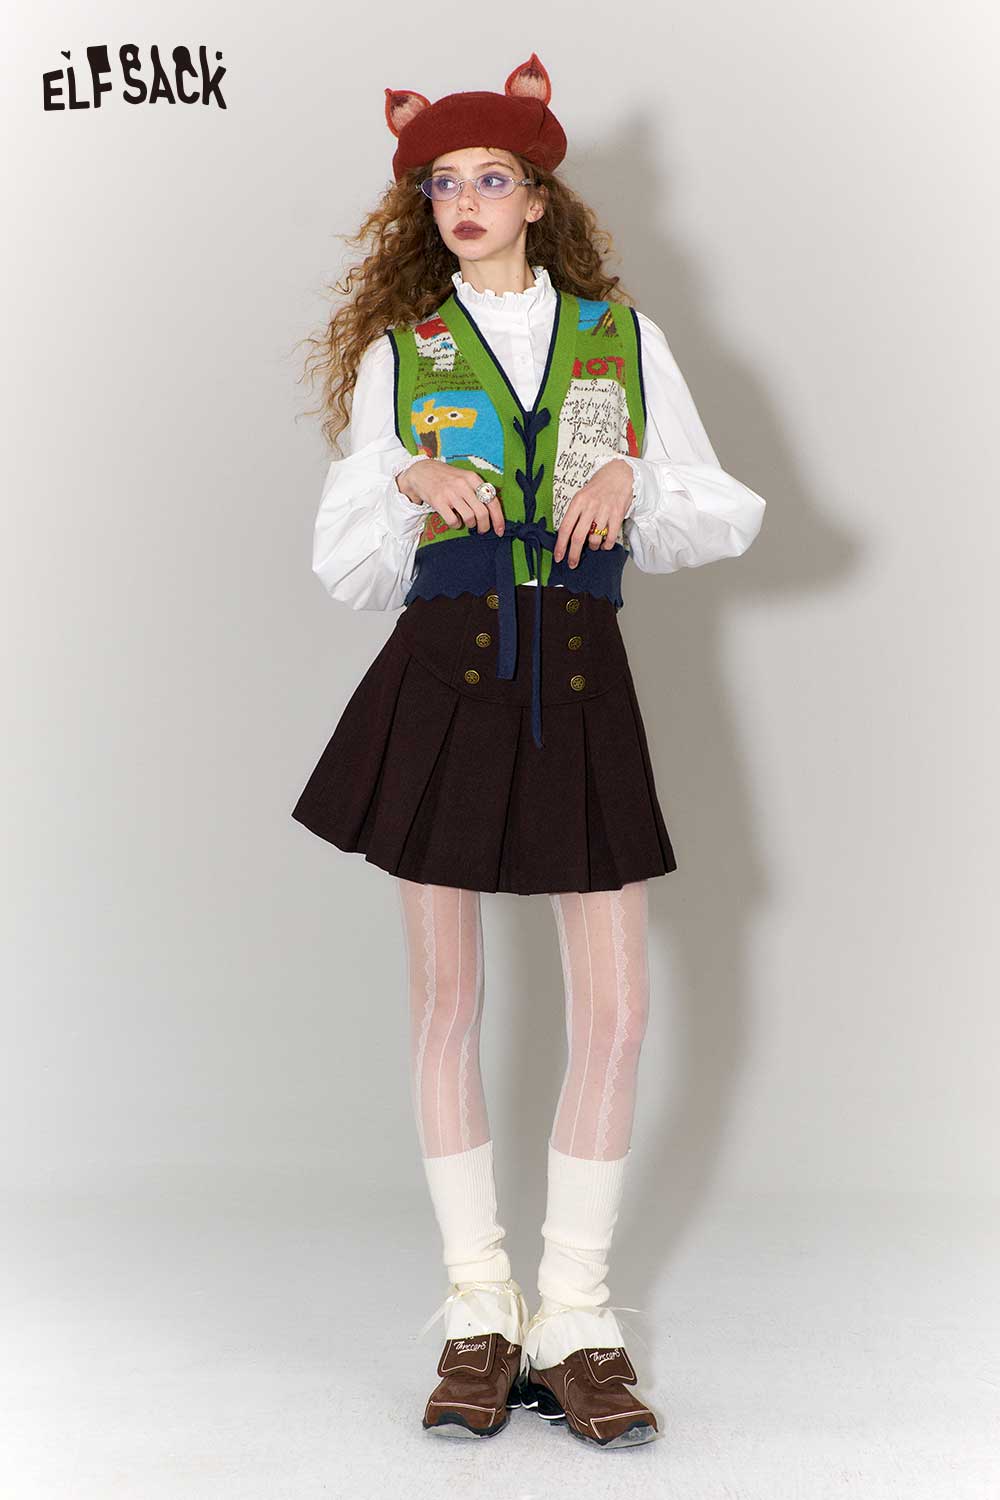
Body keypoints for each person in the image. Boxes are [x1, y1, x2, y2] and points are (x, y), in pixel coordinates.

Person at [291, 52, 766, 1448]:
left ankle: (576, 1317)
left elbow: (714, 511)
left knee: (615, 1013)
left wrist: (632, 477)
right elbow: (348, 566)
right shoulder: (403, 355)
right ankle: (478, 1308)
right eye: (443, 183)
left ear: (540, 199)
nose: (465, 202)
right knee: (447, 1002)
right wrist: (405, 474)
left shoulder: (622, 339)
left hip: (576, 673)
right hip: (442, 679)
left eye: (491, 179)